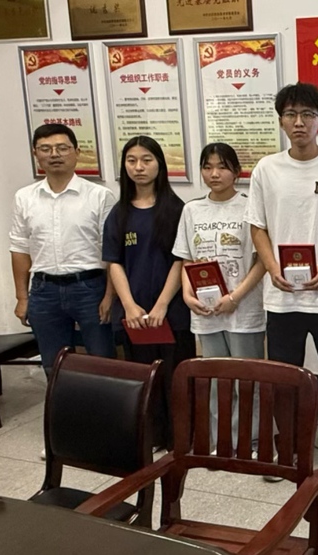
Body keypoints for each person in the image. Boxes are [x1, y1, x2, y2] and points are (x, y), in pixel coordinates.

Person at [245, 82, 318, 482]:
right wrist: (271, 267)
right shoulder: (267, 169)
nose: (299, 122)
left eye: (308, 115)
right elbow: (257, 226)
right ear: (281, 121)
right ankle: (289, 448)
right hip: (282, 297)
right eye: (291, 114)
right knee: (284, 378)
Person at [103, 135, 194, 449]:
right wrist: (129, 305)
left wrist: (162, 305)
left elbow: (181, 260)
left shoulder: (177, 209)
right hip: (135, 315)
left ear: (160, 164)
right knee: (145, 377)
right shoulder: (119, 213)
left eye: (146, 160)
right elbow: (114, 262)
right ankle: (152, 436)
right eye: (131, 161)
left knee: (174, 376)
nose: (139, 167)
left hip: (171, 311)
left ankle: (180, 438)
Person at [173, 143, 266, 452]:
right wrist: (188, 295)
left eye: (222, 167)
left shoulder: (250, 207)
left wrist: (236, 297)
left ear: (236, 172)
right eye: (207, 167)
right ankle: (221, 440)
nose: (214, 174)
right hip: (206, 310)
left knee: (246, 380)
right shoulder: (191, 210)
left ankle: (251, 441)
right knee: (214, 379)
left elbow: (261, 261)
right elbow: (187, 259)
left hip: (243, 308)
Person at [9, 124, 116, 374]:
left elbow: (112, 252)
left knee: (103, 362)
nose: (54, 154)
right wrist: (22, 298)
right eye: (45, 149)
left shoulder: (100, 195)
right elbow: (19, 248)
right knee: (54, 365)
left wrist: (110, 296)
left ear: (76, 152)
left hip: (90, 288)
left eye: (62, 148)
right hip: (44, 290)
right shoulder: (24, 197)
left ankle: (101, 402)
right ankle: (63, 402)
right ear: (36, 154)